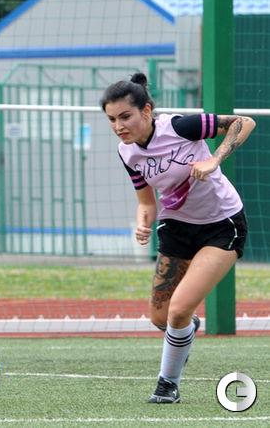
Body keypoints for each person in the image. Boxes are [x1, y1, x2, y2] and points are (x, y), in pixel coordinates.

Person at [100, 72, 254, 404]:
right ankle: (183, 328)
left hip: (221, 224)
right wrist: (142, 223)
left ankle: (167, 386)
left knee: (179, 310)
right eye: (112, 119)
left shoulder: (180, 127)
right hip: (176, 227)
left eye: (125, 116)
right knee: (162, 316)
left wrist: (213, 160)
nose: (118, 126)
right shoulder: (127, 153)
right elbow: (146, 202)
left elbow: (244, 122)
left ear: (146, 111)